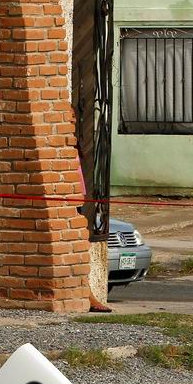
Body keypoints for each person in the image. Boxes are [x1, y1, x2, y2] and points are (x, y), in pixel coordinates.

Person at [67, 104, 113, 313]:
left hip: (76, 204)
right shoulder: (58, 147)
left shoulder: (72, 143)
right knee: (76, 252)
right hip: (67, 206)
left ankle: (86, 294)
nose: (73, 121)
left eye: (74, 117)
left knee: (80, 251)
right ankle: (87, 296)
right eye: (68, 117)